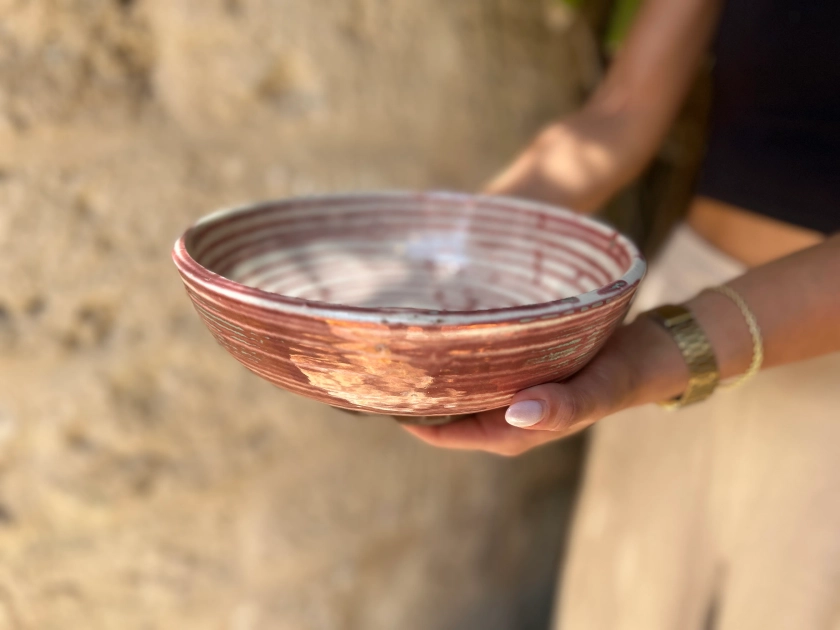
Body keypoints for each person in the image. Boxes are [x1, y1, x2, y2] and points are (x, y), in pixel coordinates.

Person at [404, 0, 840, 628]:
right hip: (687, 291)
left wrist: (655, 355)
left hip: (758, 352)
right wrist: (455, 257)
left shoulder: (651, 350)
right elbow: (619, 113)